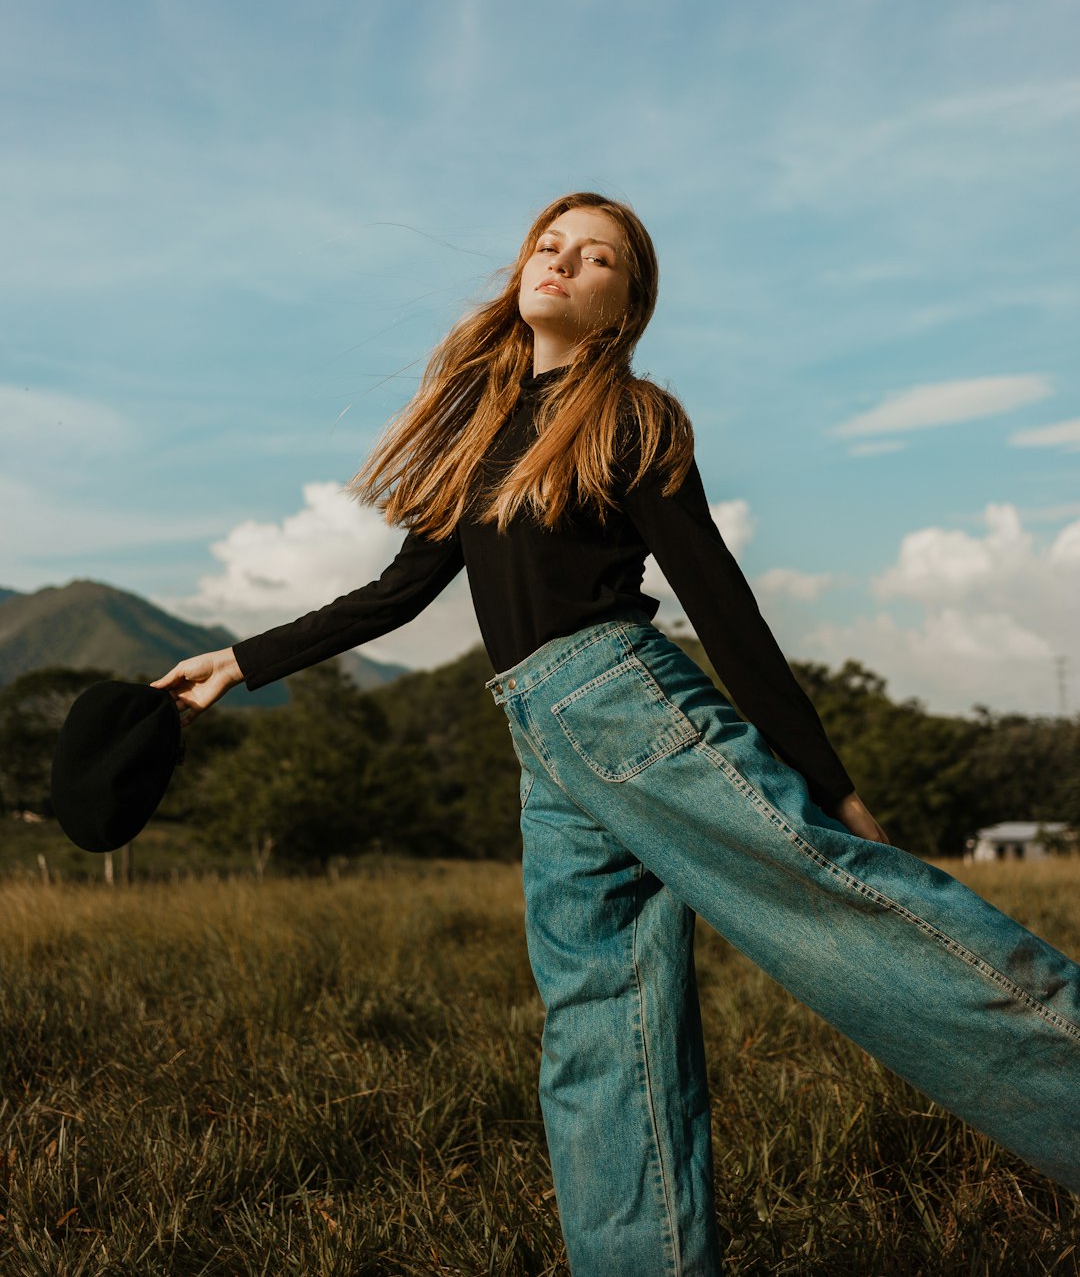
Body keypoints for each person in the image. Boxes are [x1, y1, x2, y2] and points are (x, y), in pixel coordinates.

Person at [153, 191, 1080, 1274]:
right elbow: (397, 593)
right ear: (520, 269)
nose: (562, 263)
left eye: (595, 258)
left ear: (620, 307)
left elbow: (721, 603)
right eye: (550, 246)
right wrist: (243, 659)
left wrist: (826, 782)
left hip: (627, 706)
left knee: (853, 914)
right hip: (544, 750)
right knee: (601, 1034)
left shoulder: (628, 414)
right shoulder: (477, 429)